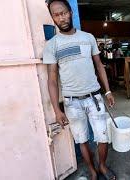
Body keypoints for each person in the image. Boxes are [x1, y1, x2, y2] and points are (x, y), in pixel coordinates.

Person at [43, 1, 116, 179]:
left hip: (94, 98)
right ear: (53, 18)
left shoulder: (88, 37)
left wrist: (107, 91)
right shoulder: (51, 45)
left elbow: (99, 65)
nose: (61, 17)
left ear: (70, 12)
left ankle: (103, 166)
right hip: (71, 103)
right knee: (81, 139)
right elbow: (52, 79)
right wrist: (57, 109)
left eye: (64, 13)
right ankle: (92, 169)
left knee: (103, 137)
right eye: (56, 15)